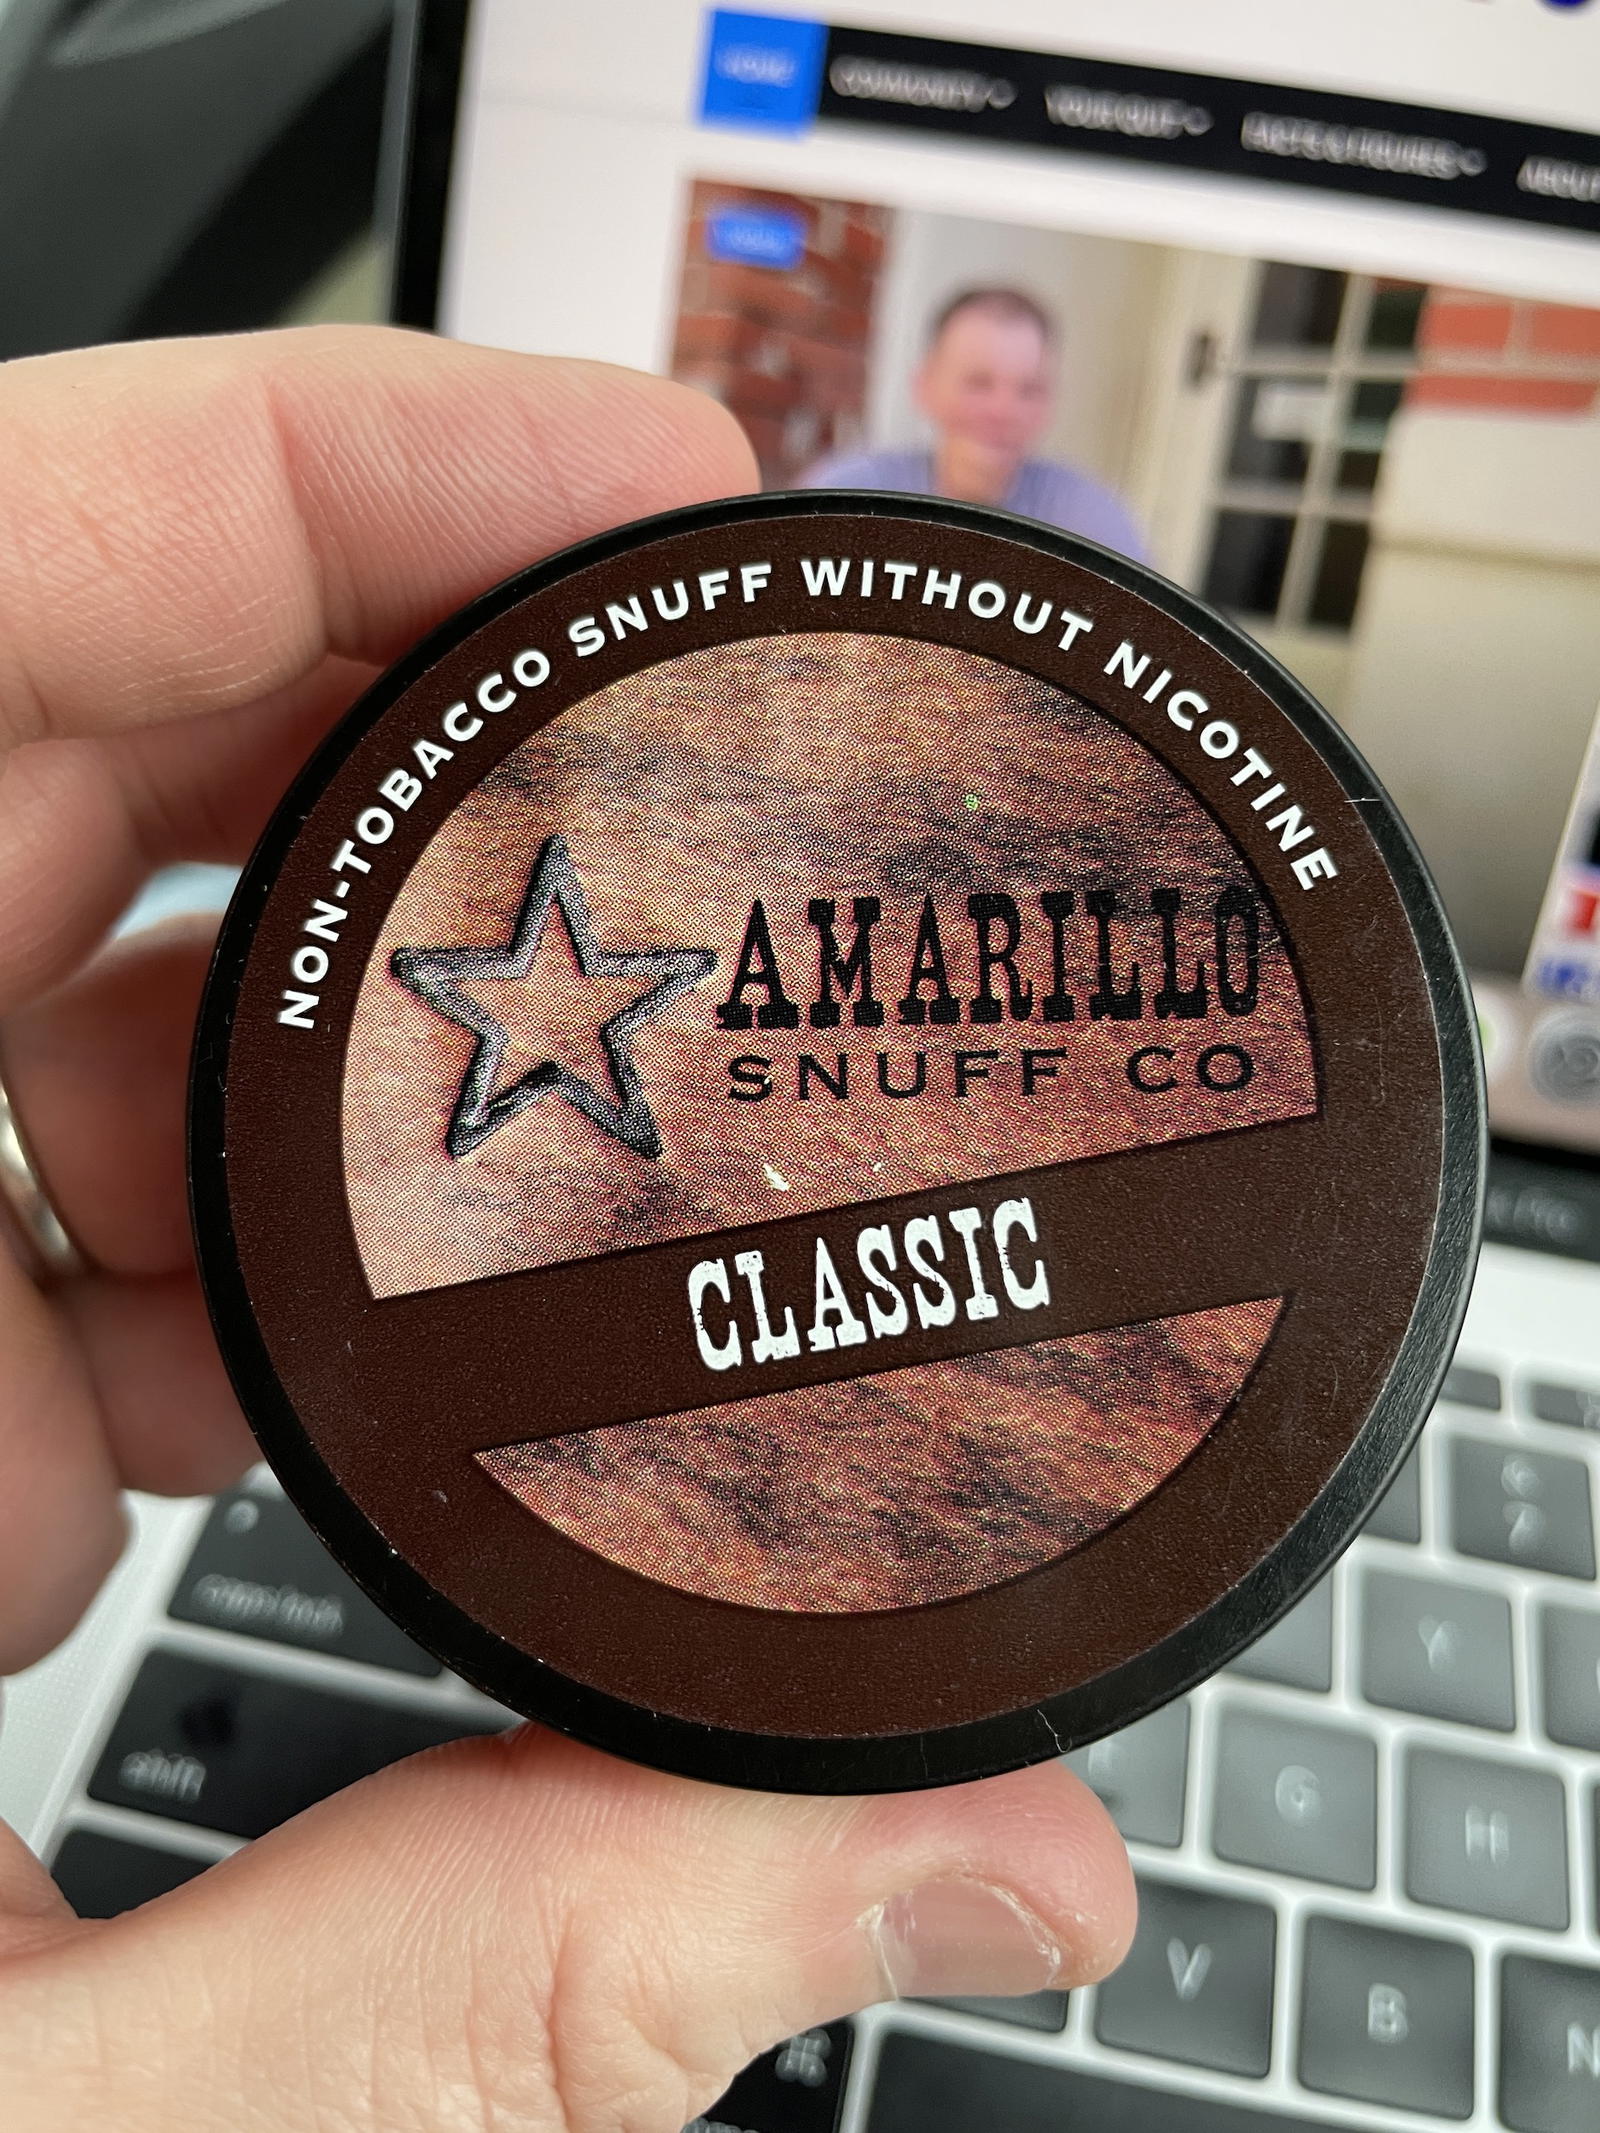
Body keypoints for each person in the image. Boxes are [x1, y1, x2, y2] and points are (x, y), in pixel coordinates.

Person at [0, 327, 1134, 2129]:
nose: (1000, 402)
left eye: (1025, 379)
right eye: (974, 374)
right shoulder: (856, 519)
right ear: (928, 380)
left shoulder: (1088, 529)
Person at [800, 287, 1148, 558]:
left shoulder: (1092, 524)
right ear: (925, 387)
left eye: (1029, 390)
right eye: (978, 383)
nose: (1003, 410)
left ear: (1050, 404)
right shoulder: (846, 500)